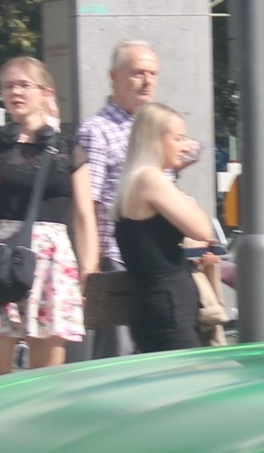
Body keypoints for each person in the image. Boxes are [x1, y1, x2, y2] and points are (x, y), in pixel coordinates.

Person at [0, 55, 95, 377]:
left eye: (23, 85)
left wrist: (88, 275)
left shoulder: (67, 148)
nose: (15, 92)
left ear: (46, 93)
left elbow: (85, 216)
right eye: (8, 86)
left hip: (52, 261)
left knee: (48, 374)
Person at [76, 40, 195, 359]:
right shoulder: (97, 130)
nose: (147, 81)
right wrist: (90, 268)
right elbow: (89, 202)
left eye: (153, 73)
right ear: (113, 76)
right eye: (138, 73)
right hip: (118, 256)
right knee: (119, 357)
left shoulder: (154, 126)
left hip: (161, 258)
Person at [113, 104, 222, 354]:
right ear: (154, 139)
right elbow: (202, 228)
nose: (186, 147)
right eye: (178, 138)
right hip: (169, 307)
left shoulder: (136, 179)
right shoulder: (150, 178)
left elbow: (151, 247)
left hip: (159, 303)